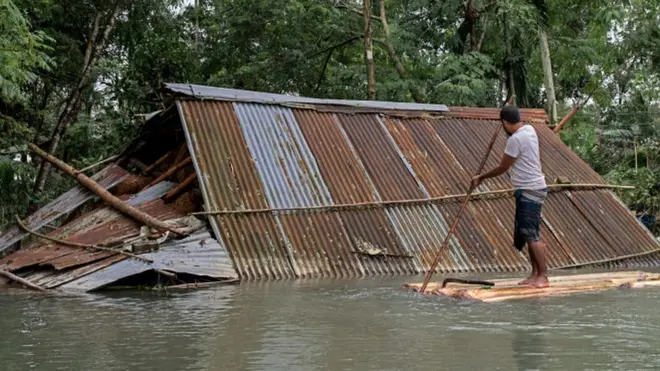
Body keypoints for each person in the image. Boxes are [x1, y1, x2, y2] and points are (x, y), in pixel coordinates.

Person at [471, 105, 549, 288]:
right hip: (533, 188)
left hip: (530, 189)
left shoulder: (516, 139)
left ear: (505, 122)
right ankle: (534, 275)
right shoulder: (529, 130)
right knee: (528, 231)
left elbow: (503, 167)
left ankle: (543, 276)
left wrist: (481, 177)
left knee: (531, 234)